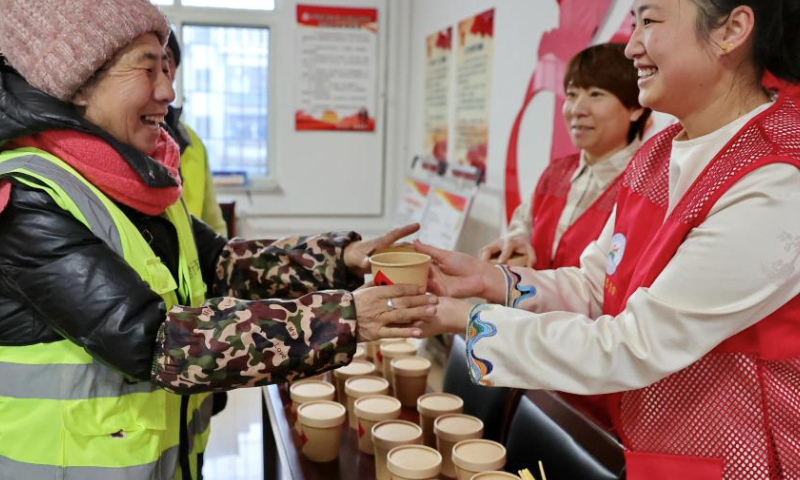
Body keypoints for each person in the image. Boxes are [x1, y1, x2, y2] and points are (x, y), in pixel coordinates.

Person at [0, 1, 436, 479]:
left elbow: (220, 262)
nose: (168, 91)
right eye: (148, 69)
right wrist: (345, 319)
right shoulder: (27, 198)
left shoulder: (134, 181)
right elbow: (157, 343)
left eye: (167, 68)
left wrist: (341, 256)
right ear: (79, 84)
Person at [415, 1, 800, 478]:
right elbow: (597, 287)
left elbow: (634, 344)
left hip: (737, 457)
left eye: (651, 21)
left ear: (733, 28)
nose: (633, 45)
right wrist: (491, 280)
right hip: (645, 441)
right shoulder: (659, 153)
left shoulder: (778, 177)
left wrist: (468, 322)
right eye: (633, 21)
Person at [481, 44, 650, 269]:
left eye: (596, 94)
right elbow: (524, 223)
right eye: (572, 94)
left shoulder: (647, 186)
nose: (577, 109)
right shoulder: (556, 173)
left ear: (635, 108)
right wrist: (517, 241)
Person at [163, 29, 229, 236]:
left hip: (195, 261)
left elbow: (214, 221)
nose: (161, 69)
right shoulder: (126, 137)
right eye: (148, 62)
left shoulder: (192, 141)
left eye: (167, 59)